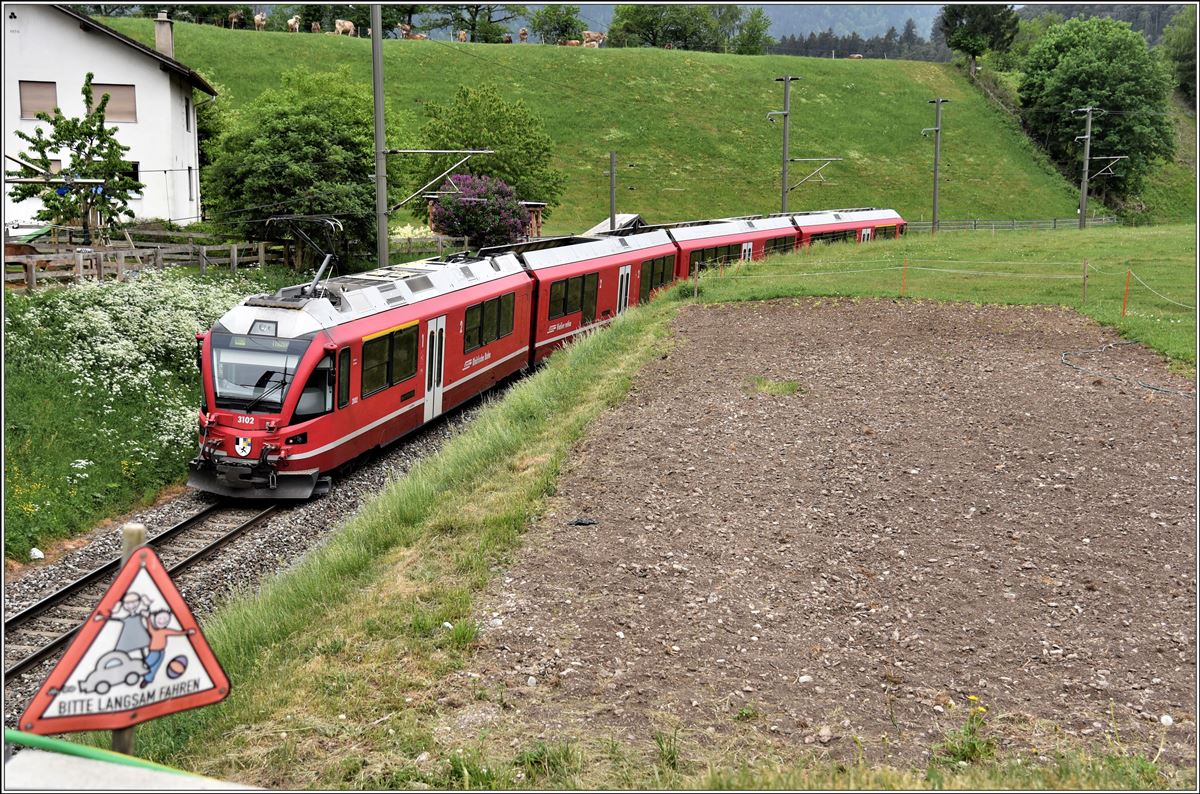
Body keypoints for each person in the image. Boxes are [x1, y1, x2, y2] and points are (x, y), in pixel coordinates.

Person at [140, 609, 194, 688]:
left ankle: (147, 679)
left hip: (162, 651)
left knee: (155, 667)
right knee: (148, 663)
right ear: (155, 618)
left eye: (165, 619)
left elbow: (176, 633)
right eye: (160, 618)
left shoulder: (165, 631)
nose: (162, 621)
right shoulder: (154, 631)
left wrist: (187, 632)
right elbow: (150, 627)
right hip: (154, 651)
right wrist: (147, 617)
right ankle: (139, 671)